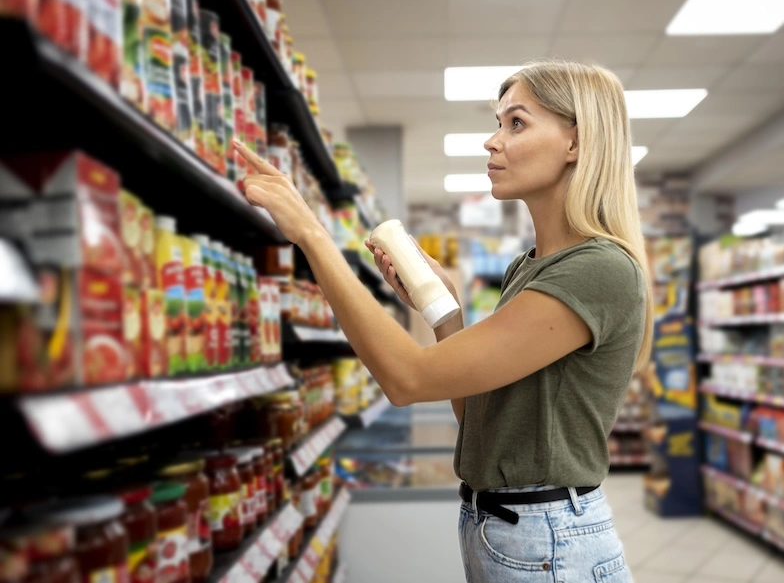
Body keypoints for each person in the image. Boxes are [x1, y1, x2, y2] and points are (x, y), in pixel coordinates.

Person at [233, 59, 652, 583]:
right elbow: (479, 420)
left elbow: (407, 379)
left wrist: (313, 238)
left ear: (576, 141)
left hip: (547, 541)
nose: (492, 142)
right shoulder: (529, 267)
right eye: (498, 123)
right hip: (504, 527)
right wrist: (443, 312)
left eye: (516, 123)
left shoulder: (599, 269)